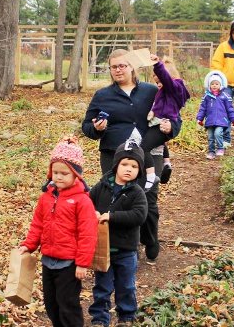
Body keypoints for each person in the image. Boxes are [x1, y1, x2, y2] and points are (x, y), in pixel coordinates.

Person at [81, 48, 163, 262]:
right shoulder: (103, 95)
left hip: (147, 153)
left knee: (148, 198)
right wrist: (97, 128)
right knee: (115, 200)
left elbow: (167, 118)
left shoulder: (150, 91)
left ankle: (150, 238)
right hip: (113, 155)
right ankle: (121, 248)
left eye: (122, 66)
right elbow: (86, 127)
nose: (118, 70)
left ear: (132, 66)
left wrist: (168, 134)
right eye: (113, 67)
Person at [19, 137, 98, 327]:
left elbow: (88, 234)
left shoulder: (82, 201)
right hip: (48, 260)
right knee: (51, 304)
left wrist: (82, 263)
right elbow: (37, 224)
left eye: (64, 173)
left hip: (69, 264)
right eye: (55, 172)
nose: (59, 177)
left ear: (76, 175)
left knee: (67, 304)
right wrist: (29, 245)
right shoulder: (46, 198)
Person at [88, 138, 148, 327]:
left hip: (126, 249)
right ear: (116, 165)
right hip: (102, 248)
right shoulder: (102, 186)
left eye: (134, 166)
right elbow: (86, 204)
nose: (128, 169)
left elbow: (139, 215)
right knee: (102, 286)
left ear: (139, 171)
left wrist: (112, 216)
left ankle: (126, 316)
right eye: (124, 164)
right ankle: (99, 317)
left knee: (126, 286)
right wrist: (93, 213)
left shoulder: (137, 192)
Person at [142, 55, 190, 190]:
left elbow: (166, 79)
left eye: (160, 82)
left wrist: (158, 65)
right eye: (156, 83)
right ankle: (166, 164)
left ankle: (151, 176)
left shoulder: (174, 87)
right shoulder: (165, 91)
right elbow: (158, 105)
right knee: (158, 142)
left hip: (164, 121)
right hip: (159, 120)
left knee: (143, 148)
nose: (158, 85)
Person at [197, 71, 234, 159]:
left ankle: (220, 148)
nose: (214, 85)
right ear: (209, 85)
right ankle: (211, 151)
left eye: (216, 84)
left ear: (221, 85)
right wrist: (200, 118)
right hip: (210, 121)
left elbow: (230, 109)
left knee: (218, 133)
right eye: (212, 84)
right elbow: (202, 108)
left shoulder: (225, 96)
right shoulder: (207, 97)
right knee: (210, 137)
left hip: (221, 121)